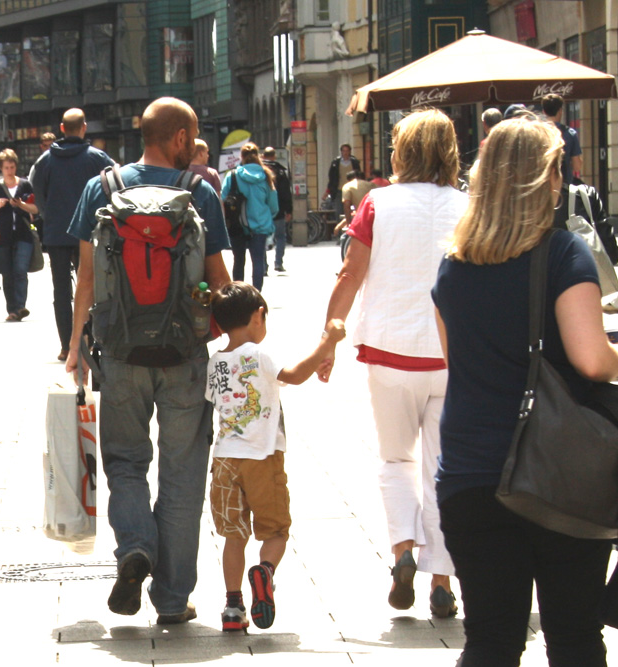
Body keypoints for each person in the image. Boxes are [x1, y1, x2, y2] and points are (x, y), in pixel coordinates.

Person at [432, 116, 618, 667]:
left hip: (471, 473)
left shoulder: (452, 265)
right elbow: (591, 359)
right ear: (547, 178)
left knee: (490, 641)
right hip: (560, 473)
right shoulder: (562, 253)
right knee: (574, 638)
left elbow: (459, 362)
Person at [65, 96, 231, 625]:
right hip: (184, 354)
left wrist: (75, 345)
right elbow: (220, 281)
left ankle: (136, 547)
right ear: (180, 137)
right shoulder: (200, 191)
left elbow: (86, 279)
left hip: (119, 351)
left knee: (126, 463)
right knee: (182, 475)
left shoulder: (103, 188)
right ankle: (173, 598)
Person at [320, 109, 466, 617]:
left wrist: (329, 337)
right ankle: (442, 580)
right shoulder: (468, 207)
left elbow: (350, 273)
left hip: (388, 352)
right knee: (443, 468)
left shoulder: (376, 202)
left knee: (394, 460)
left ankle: (403, 549)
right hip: (451, 356)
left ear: (400, 151)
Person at [206, 281, 345, 631]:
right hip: (263, 458)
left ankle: (233, 608)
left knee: (233, 535)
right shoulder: (259, 355)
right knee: (276, 532)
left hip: (225, 460)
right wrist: (327, 342)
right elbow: (297, 375)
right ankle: (264, 572)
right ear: (258, 316)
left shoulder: (216, 363)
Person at [31, 108, 115, 361]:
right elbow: (116, 185)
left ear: (62, 128)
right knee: (90, 285)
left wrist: (49, 215)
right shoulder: (98, 158)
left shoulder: (45, 160)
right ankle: (88, 338)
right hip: (90, 233)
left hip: (56, 232)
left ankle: (67, 344)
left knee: (60, 290)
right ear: (84, 127)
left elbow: (36, 188)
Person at [0, 148, 38, 321]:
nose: (10, 171)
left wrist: (21, 204)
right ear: (1, 168)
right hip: (3, 235)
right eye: (6, 167)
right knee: (7, 273)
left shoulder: (25, 185)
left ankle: (20, 306)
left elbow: (36, 208)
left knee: (20, 270)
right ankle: (12, 309)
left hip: (24, 234)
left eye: (12, 167)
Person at [222, 142, 277, 291]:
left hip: (237, 224)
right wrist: (266, 216)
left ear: (242, 156)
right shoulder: (266, 175)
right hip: (260, 225)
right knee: (258, 261)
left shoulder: (232, 175)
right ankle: (257, 294)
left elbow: (223, 198)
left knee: (238, 260)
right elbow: (273, 204)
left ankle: (238, 294)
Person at [261, 147, 292, 273]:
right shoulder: (280, 171)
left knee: (261, 237)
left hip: (262, 209)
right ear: (274, 156)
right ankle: (278, 263)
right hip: (278, 209)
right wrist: (288, 210)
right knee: (280, 236)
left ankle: (263, 266)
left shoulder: (260, 171)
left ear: (263, 156)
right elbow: (286, 192)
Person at [541, 93, 582, 185]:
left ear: (544, 111)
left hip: (543, 187)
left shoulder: (537, 133)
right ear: (560, 110)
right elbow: (577, 166)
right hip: (564, 186)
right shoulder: (570, 133)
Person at [324, 144, 361, 218]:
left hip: (352, 189)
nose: (345, 153)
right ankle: (340, 227)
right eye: (344, 151)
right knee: (339, 210)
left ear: (350, 151)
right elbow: (332, 177)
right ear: (341, 152)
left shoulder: (354, 162)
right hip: (339, 189)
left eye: (347, 151)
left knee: (354, 209)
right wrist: (329, 190)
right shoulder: (335, 163)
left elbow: (359, 174)